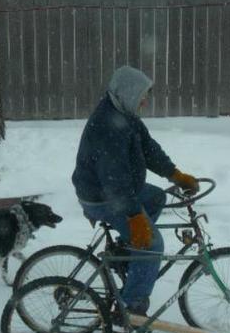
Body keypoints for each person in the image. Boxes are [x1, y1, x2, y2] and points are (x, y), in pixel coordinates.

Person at [72, 66, 199, 317]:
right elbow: (114, 180)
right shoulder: (109, 125)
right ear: (129, 93)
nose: (145, 100)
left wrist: (174, 174)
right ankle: (131, 307)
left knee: (156, 197)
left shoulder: (124, 113)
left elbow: (148, 148)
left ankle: (126, 254)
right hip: (102, 197)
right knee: (152, 245)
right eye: (142, 95)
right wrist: (133, 216)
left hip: (114, 191)